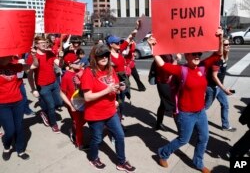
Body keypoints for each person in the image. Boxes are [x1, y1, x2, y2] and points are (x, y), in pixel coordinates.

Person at [147, 28, 224, 173]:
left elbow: (218, 54)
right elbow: (162, 65)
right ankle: (163, 153)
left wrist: (220, 37)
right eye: (193, 54)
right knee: (183, 140)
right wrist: (153, 47)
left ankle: (198, 163)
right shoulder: (181, 70)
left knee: (204, 138)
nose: (197, 56)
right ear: (186, 56)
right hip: (185, 114)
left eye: (198, 54)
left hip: (200, 112)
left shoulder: (203, 66)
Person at [80, 44, 136, 172]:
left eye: (106, 55)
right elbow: (87, 97)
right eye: (101, 55)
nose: (104, 57)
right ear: (94, 57)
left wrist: (118, 88)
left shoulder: (110, 69)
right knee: (97, 139)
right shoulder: (88, 72)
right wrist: (107, 90)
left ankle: (122, 162)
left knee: (120, 136)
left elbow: (114, 84)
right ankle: (93, 158)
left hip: (111, 111)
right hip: (95, 114)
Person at [0, 51, 37, 161]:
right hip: (2, 105)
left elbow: (34, 66)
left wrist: (34, 55)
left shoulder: (16, 66)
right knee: (10, 130)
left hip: (18, 102)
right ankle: (7, 147)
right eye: (6, 56)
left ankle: (20, 150)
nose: (9, 57)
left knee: (19, 128)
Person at [27, 36, 63, 133]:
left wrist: (61, 57)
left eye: (45, 42)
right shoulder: (32, 56)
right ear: (36, 44)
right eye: (41, 42)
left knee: (59, 103)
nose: (44, 43)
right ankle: (54, 124)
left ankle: (44, 111)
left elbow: (60, 65)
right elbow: (29, 75)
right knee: (51, 106)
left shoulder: (50, 53)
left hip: (54, 83)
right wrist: (33, 89)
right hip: (43, 86)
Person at [205, 38, 236, 132]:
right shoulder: (217, 59)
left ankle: (225, 126)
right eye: (226, 45)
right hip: (211, 87)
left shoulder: (224, 56)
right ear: (221, 46)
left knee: (225, 105)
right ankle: (193, 120)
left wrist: (222, 87)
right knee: (205, 107)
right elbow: (214, 76)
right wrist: (225, 89)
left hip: (219, 87)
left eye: (228, 44)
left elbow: (221, 74)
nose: (228, 45)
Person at [60, 53, 88, 150]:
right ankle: (79, 143)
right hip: (74, 104)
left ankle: (73, 129)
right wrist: (70, 105)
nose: (79, 63)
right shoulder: (66, 76)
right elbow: (62, 93)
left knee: (86, 119)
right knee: (78, 124)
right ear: (70, 64)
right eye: (76, 62)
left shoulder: (82, 70)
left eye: (79, 61)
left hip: (84, 100)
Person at [154, 54, 181, 131]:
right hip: (164, 83)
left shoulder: (168, 54)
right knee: (173, 105)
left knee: (163, 103)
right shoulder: (161, 56)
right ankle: (181, 130)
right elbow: (167, 70)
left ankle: (158, 124)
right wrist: (176, 60)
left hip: (168, 82)